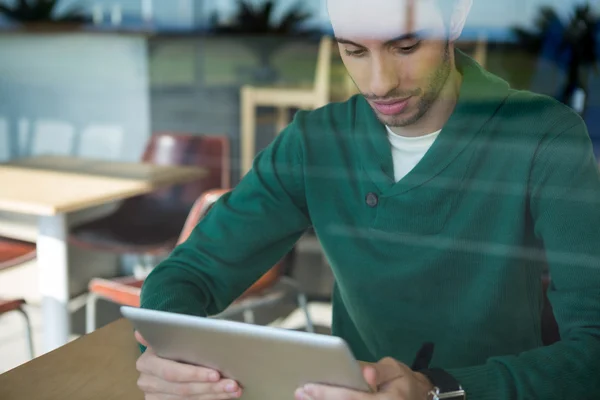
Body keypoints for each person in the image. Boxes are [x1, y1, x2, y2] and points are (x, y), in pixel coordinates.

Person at [134, 0, 600, 399]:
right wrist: (171, 356)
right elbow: (187, 272)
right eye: (353, 50)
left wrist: (437, 389)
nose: (379, 83)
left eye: (406, 46)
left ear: (456, 16)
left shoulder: (543, 136)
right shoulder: (314, 142)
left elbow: (593, 348)